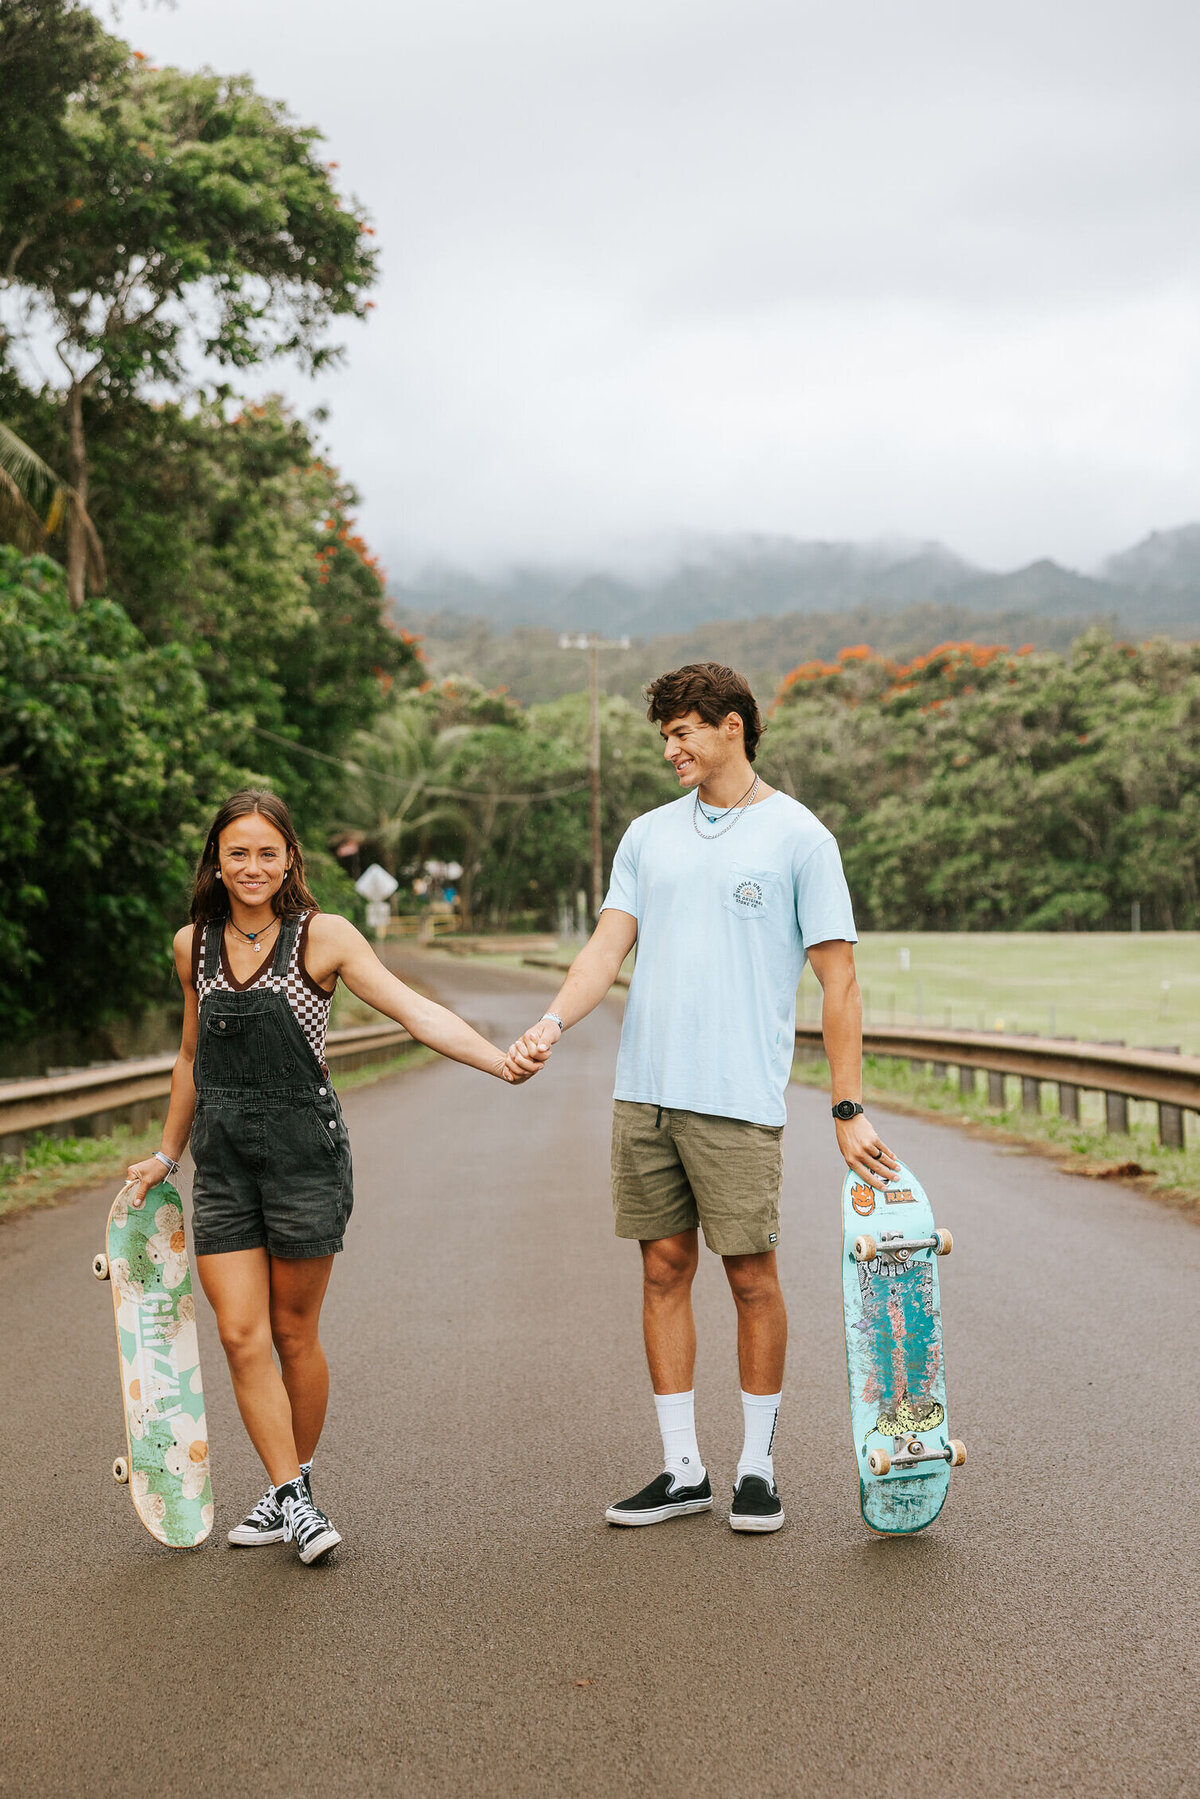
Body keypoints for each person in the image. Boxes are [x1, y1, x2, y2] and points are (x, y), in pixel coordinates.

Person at [507, 663, 897, 1533]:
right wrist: (552, 1024)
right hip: (645, 1092)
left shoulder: (801, 837)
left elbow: (841, 984)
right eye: (664, 736)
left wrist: (846, 1104)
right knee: (661, 1268)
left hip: (736, 1097)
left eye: (683, 732)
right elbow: (605, 951)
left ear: (732, 727)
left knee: (750, 1275)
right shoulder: (648, 836)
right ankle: (684, 1468)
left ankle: (757, 1466)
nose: (672, 749)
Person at [126, 788, 546, 1564]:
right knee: (239, 1332)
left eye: (266, 851)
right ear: (215, 862)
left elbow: (416, 1011)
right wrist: (165, 1152)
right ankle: (295, 1501)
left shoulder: (324, 936)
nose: (252, 866)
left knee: (292, 1333)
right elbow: (192, 1056)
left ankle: (295, 1484)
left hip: (303, 1156)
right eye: (237, 852)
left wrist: (498, 1061)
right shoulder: (194, 944)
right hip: (221, 1160)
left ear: (290, 858)